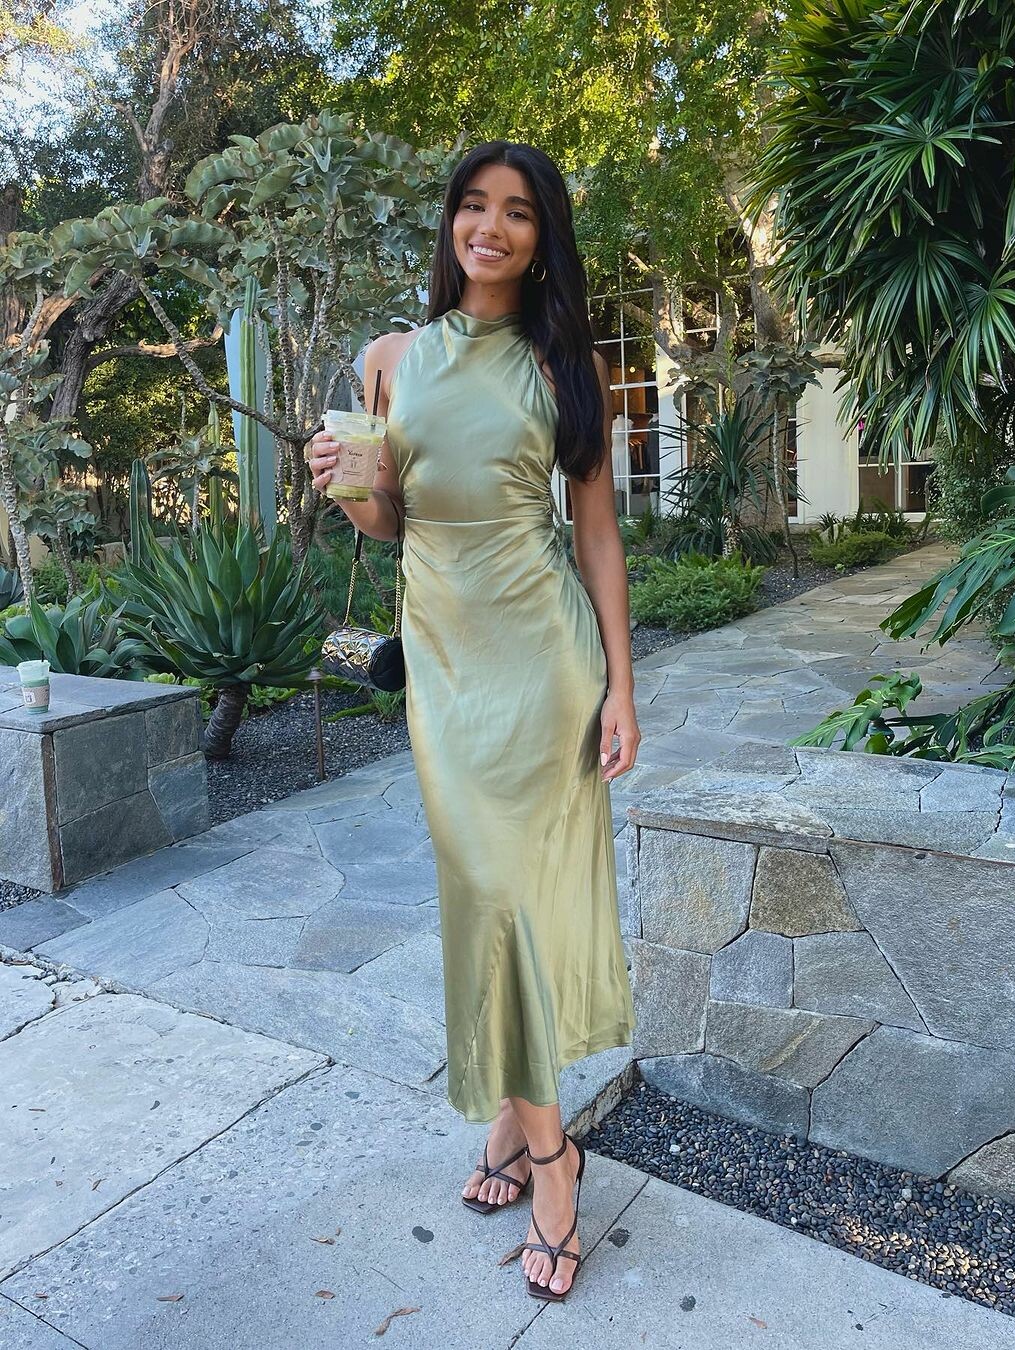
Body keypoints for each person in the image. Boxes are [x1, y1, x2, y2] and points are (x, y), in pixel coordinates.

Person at [306, 140, 640, 1303]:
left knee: (516, 902)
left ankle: (549, 1160)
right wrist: (345, 482)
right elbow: (391, 521)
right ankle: (529, 1126)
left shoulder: (563, 362)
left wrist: (622, 686)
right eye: (474, 206)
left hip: (544, 659)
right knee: (488, 897)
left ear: (542, 239)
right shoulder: (390, 359)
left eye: (518, 213)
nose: (490, 227)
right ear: (450, 221)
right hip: (445, 666)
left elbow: (597, 535)